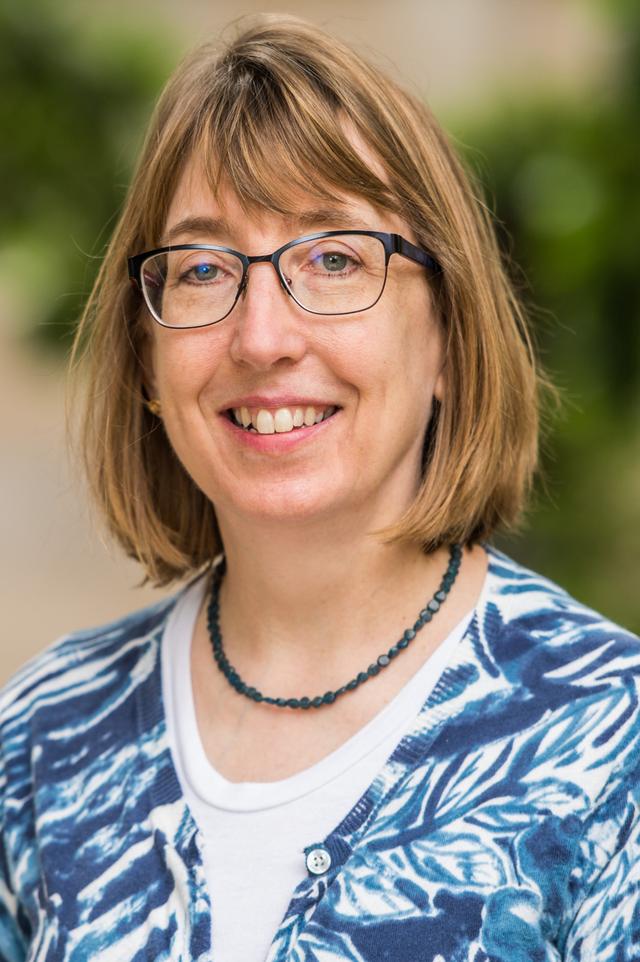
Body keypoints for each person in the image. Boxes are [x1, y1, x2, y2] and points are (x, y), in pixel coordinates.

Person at [1, 14, 638, 962]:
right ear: (146, 358)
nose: (262, 338)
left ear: (450, 343)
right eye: (205, 268)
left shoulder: (609, 740)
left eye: (335, 259)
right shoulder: (39, 743)